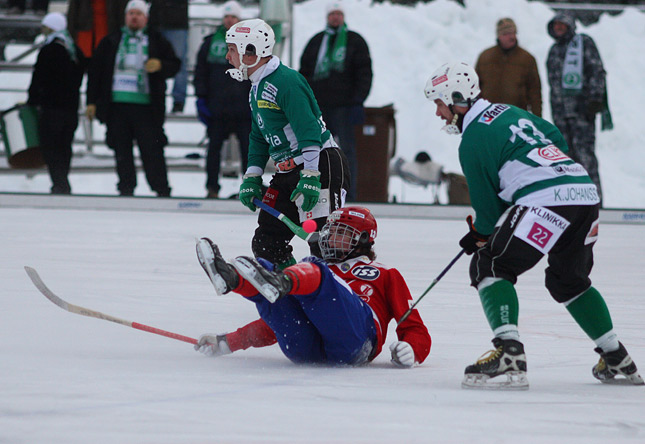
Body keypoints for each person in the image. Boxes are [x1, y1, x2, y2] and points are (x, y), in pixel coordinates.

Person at [424, 61, 643, 389]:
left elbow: (487, 212)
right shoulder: (507, 110)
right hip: (583, 192)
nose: (438, 113)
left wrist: (480, 236)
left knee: (490, 264)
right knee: (569, 281)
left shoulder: (471, 140)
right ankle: (617, 358)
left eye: (439, 104)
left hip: (546, 200)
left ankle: (509, 355)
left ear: (455, 99)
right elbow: (555, 138)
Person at [193, 206, 431, 367]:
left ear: (364, 239)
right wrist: (229, 342)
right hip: (304, 347)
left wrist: (412, 348)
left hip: (356, 342)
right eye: (329, 232)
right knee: (268, 273)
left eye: (341, 234)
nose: (329, 239)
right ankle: (232, 279)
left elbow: (414, 326)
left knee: (309, 268)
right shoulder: (315, 274)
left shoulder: (385, 273)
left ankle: (277, 281)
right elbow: (276, 324)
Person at [225, 18, 351, 269]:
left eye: (232, 49)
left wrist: (311, 175)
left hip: (320, 166)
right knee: (266, 242)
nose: (227, 56)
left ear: (251, 51)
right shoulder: (256, 87)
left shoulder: (286, 82)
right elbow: (258, 136)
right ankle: (290, 291)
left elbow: (309, 130)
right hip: (287, 172)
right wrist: (252, 176)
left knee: (323, 245)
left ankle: (335, 299)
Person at [86, 0, 180, 197]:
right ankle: (126, 188)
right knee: (121, 151)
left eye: (138, 14)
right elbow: (96, 73)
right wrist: (91, 102)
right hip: (117, 106)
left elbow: (175, 64)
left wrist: (161, 65)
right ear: (125, 17)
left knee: (152, 151)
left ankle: (162, 189)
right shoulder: (111, 40)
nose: (134, 17)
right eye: (131, 14)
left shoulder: (156, 39)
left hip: (146, 107)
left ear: (145, 18)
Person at [299, 1, 372, 201]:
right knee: (318, 151)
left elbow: (364, 72)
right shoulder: (316, 42)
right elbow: (303, 73)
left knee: (347, 152)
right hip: (319, 108)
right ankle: (322, 192)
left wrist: (358, 100)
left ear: (343, 17)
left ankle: (350, 194)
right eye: (332, 14)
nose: (335, 17)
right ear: (327, 17)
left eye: (339, 14)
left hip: (345, 106)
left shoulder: (354, 41)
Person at [546, 12, 610, 203]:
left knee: (585, 157)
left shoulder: (584, 43)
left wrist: (595, 98)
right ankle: (573, 202)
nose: (558, 28)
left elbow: (597, 70)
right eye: (555, 25)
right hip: (561, 115)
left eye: (562, 25)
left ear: (570, 26)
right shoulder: (554, 50)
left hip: (582, 113)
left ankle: (595, 201)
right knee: (565, 160)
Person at [193, 0, 250, 199]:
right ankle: (212, 188)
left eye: (233, 17)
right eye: (227, 17)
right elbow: (200, 72)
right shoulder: (210, 43)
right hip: (218, 108)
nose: (229, 20)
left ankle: (250, 188)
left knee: (249, 152)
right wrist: (201, 98)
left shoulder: (250, 45)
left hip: (243, 109)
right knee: (213, 150)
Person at [27, 12, 87, 194]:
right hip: (70, 108)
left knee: (51, 146)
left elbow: (39, 77)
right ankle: (62, 180)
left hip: (52, 107)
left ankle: (59, 182)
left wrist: (33, 99)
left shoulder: (49, 50)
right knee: (64, 145)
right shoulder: (73, 50)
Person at [475, 17, 542, 117]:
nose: (511, 37)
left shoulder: (527, 59)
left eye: (513, 33)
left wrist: (537, 119)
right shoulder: (485, 57)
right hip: (489, 116)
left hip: (517, 116)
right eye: (506, 34)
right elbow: (475, 87)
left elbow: (535, 92)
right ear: (499, 36)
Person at [149, 0, 189, 113]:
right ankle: (156, 95)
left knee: (179, 63)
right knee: (153, 63)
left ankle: (179, 100)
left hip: (176, 22)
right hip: (157, 19)